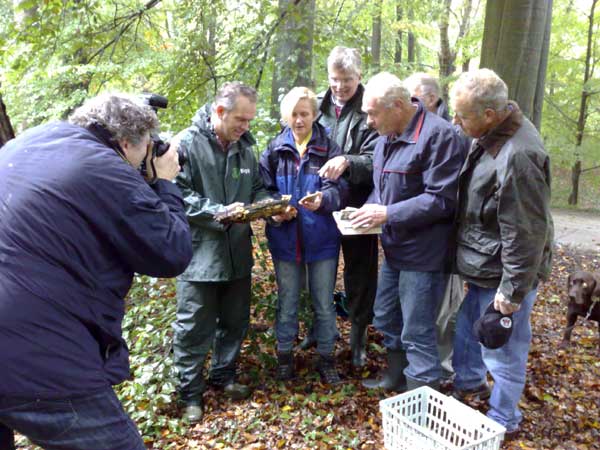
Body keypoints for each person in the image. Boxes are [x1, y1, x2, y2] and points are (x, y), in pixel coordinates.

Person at [0, 93, 192, 450]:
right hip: (38, 355)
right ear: (123, 143)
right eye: (145, 148)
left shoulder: (30, 142)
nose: (145, 159)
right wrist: (164, 182)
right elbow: (172, 251)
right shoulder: (106, 168)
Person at [449, 68, 553, 438]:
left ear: (490, 115)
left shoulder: (519, 155)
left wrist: (510, 295)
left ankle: (503, 419)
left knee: (503, 347)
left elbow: (526, 233)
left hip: (504, 275)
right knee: (467, 332)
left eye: (461, 116)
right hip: (484, 264)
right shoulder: (491, 135)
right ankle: (470, 386)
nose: (455, 121)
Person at [352, 72, 464, 392]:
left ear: (398, 106)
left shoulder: (439, 136)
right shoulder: (385, 136)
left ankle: (420, 398)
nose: (369, 122)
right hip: (395, 248)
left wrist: (387, 213)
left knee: (417, 329)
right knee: (386, 316)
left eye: (373, 113)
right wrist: (366, 211)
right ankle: (396, 377)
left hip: (425, 254)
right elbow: (383, 189)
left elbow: (441, 200)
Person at [172, 82, 271, 423]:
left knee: (234, 322)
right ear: (219, 112)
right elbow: (175, 193)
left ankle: (223, 377)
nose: (245, 126)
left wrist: (269, 207)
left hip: (237, 254)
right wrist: (217, 212)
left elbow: (255, 188)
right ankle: (189, 394)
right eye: (240, 119)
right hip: (199, 256)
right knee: (193, 328)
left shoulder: (245, 148)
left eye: (249, 120)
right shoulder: (186, 144)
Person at [259, 87, 345, 385]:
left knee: (323, 302)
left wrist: (324, 200)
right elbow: (263, 191)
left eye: (304, 114)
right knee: (288, 301)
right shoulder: (274, 149)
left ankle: (326, 358)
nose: (299, 120)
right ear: (286, 116)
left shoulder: (328, 148)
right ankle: (285, 358)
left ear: (314, 115)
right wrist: (274, 211)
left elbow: (339, 190)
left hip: (322, 239)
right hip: (285, 239)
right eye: (294, 114)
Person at [314, 46, 380, 368]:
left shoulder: (371, 109)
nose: (339, 87)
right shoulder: (315, 106)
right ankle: (319, 331)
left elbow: (377, 159)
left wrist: (347, 162)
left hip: (358, 206)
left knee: (360, 274)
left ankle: (358, 339)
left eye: (347, 81)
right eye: (334, 80)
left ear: (359, 77)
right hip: (322, 206)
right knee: (318, 268)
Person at [404, 72, 469, 380]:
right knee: (431, 313)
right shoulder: (417, 130)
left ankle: (443, 373)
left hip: (447, 239)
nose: (407, 104)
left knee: (444, 311)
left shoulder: (451, 132)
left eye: (412, 98)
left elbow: (444, 196)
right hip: (424, 240)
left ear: (429, 99)